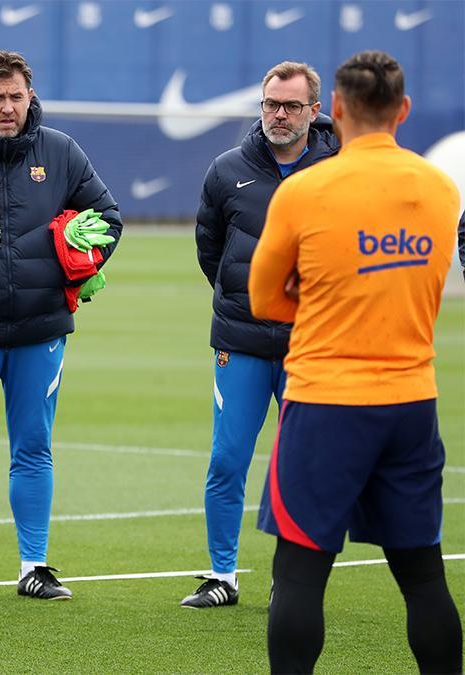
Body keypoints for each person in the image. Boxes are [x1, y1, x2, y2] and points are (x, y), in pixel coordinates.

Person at [250, 50, 461, 673]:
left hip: (325, 402)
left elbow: (265, 297)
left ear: (334, 109)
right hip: (411, 401)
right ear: (403, 110)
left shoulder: (307, 189)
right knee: (423, 574)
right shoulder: (440, 188)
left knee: (300, 571)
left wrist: (322, 299)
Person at [0, 50, 122, 599]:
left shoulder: (60, 152)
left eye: (17, 96)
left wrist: (81, 265)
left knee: (34, 446)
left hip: (41, 329)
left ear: (29, 97)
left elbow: (108, 219)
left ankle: (34, 567)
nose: (8, 107)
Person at [185, 61, 338, 609]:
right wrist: (242, 297)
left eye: (291, 106)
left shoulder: (337, 170)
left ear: (313, 112)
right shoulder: (228, 169)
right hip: (242, 341)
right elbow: (210, 248)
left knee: (301, 464)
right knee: (227, 460)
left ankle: (290, 580)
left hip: (311, 344)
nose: (278, 114)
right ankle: (221, 575)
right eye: (271, 104)